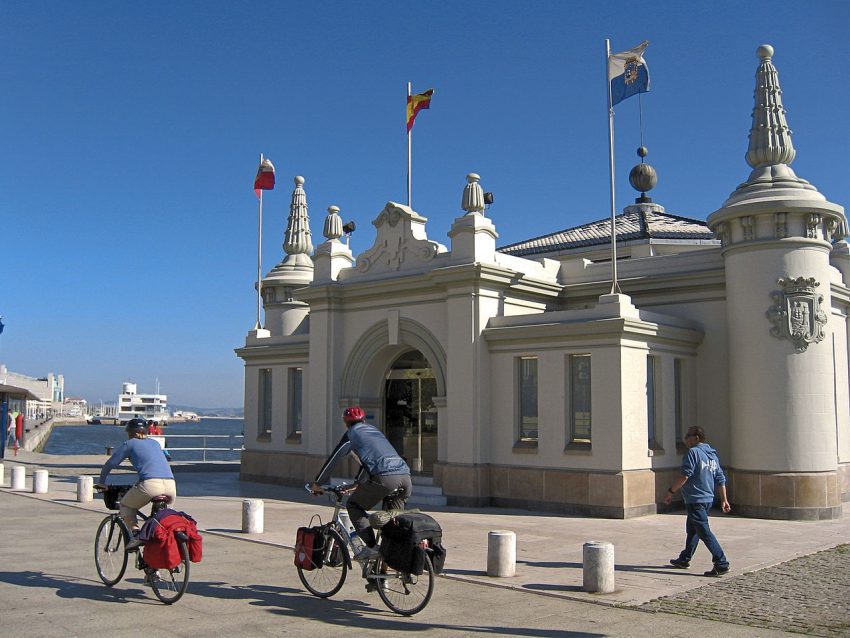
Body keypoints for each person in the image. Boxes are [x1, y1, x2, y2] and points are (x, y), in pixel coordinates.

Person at [310, 406, 412, 562]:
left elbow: (334, 458)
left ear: (346, 423)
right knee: (391, 524)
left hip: (385, 478)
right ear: (364, 420)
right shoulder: (374, 432)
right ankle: (385, 572)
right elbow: (372, 460)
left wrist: (318, 483)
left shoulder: (351, 434)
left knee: (354, 505)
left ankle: (371, 546)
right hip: (405, 477)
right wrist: (357, 483)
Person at [94, 417, 177, 550]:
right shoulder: (155, 443)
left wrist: (101, 482)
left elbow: (110, 464)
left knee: (126, 506)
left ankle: (136, 534)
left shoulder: (130, 444)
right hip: (171, 485)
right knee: (161, 524)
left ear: (130, 432)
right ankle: (154, 566)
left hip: (151, 485)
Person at [664, 425, 731, 576]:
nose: (685, 439)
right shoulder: (712, 455)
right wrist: (724, 499)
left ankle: (721, 562)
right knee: (693, 530)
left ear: (696, 438)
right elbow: (720, 479)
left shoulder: (693, 453)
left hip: (696, 499)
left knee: (704, 532)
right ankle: (685, 558)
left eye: (688, 436)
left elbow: (685, 476)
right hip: (707, 499)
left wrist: (670, 492)